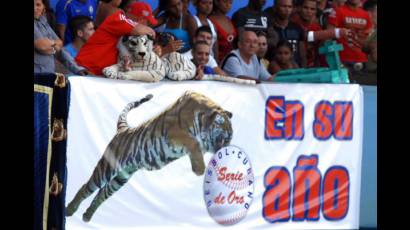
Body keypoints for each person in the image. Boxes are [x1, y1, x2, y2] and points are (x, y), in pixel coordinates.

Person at [74, 2, 156, 76]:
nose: (148, 25)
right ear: (140, 19)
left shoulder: (131, 35)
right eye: (148, 22)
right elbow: (140, 29)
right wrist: (151, 33)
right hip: (82, 70)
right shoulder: (117, 17)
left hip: (97, 75)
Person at [34, 0, 87, 75]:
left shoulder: (42, 21)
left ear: (44, 7)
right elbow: (42, 46)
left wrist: (77, 69)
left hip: (47, 75)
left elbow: (60, 43)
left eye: (38, 5)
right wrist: (54, 46)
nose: (34, 8)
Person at [327, 0, 373, 74]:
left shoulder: (365, 15)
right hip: (343, 61)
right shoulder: (338, 11)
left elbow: (369, 39)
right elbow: (328, 36)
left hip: (363, 61)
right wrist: (334, 62)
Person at [267, 0, 307, 67]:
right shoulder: (269, 29)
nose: (287, 10)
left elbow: (303, 56)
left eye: (289, 7)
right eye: (283, 6)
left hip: (296, 71)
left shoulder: (297, 28)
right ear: (275, 7)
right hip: (274, 72)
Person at [291, 0, 322, 67]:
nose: (308, 11)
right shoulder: (292, 24)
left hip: (313, 67)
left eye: (312, 9)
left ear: (316, 11)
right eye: (305, 7)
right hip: (294, 65)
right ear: (300, 8)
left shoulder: (317, 28)